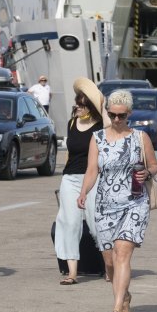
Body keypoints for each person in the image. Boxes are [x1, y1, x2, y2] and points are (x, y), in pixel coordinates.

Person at [77, 90, 157, 312]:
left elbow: (154, 165)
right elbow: (92, 170)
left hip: (134, 202)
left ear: (129, 115)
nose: (116, 119)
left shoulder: (140, 138)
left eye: (121, 116)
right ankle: (125, 295)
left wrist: (147, 172)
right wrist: (83, 192)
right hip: (104, 205)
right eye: (112, 114)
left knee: (123, 252)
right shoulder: (98, 138)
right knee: (110, 262)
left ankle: (116, 309)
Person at [55, 77, 107, 285]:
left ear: (91, 107)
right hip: (70, 178)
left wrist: (101, 105)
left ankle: (109, 267)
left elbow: (111, 123)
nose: (78, 107)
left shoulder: (102, 126)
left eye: (83, 104)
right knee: (70, 223)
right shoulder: (71, 123)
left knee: (96, 224)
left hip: (94, 178)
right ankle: (72, 272)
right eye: (77, 102)